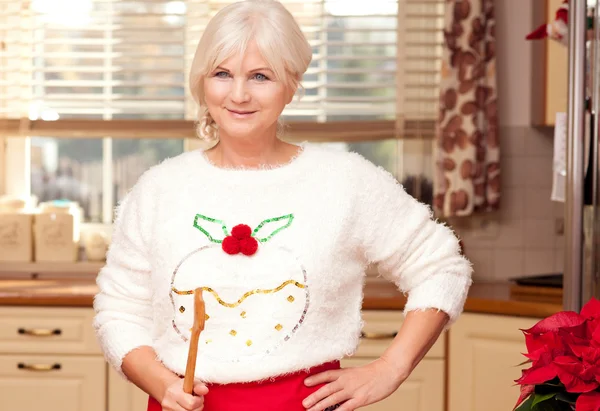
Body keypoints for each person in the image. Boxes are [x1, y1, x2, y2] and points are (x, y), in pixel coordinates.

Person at [93, 1, 473, 410]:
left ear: (291, 84)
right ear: (203, 81)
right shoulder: (160, 188)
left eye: (261, 76)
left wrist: (391, 367)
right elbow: (119, 308)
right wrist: (159, 382)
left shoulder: (344, 181)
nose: (239, 94)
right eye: (222, 74)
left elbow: (442, 267)